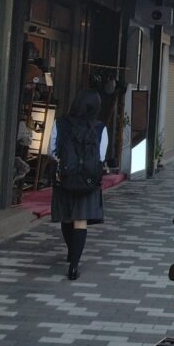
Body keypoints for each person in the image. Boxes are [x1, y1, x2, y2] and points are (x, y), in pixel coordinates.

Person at [50, 90, 107, 281]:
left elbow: (52, 150)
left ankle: (70, 252)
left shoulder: (61, 123)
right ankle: (74, 265)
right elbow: (101, 156)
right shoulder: (100, 127)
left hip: (65, 178)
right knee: (80, 220)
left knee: (67, 218)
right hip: (88, 180)